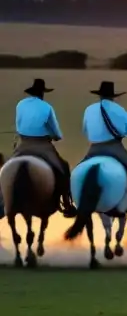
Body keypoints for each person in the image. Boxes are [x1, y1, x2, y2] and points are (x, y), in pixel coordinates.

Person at [81, 80, 127, 222]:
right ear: (113, 96)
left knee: (76, 173)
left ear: (99, 95)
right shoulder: (118, 109)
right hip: (114, 147)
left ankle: (72, 203)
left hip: (93, 148)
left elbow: (85, 130)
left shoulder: (89, 109)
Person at [11, 78, 76, 218]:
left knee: (7, 167)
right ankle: (67, 203)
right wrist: (56, 136)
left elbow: (18, 125)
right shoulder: (47, 107)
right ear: (42, 93)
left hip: (23, 144)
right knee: (63, 167)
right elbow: (55, 131)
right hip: (42, 145)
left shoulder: (20, 104)